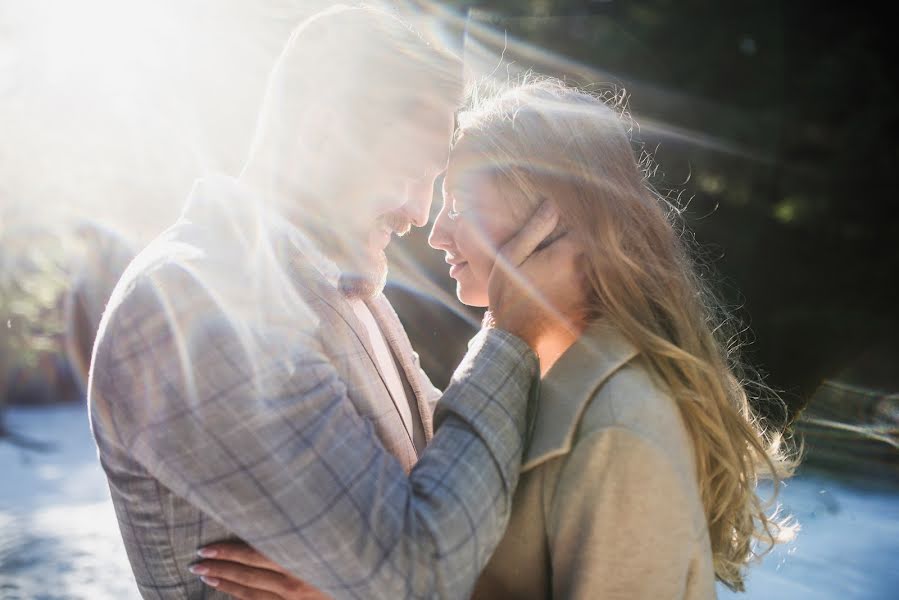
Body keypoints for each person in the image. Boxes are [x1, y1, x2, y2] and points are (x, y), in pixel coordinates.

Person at [199, 78, 798, 599]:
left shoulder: (621, 422)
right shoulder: (533, 375)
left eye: (459, 201)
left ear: (553, 211)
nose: (436, 233)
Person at [88, 8, 584, 600]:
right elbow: (420, 570)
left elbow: (462, 495)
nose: (419, 214)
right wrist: (509, 333)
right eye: (411, 173)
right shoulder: (190, 305)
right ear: (320, 132)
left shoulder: (337, 290)